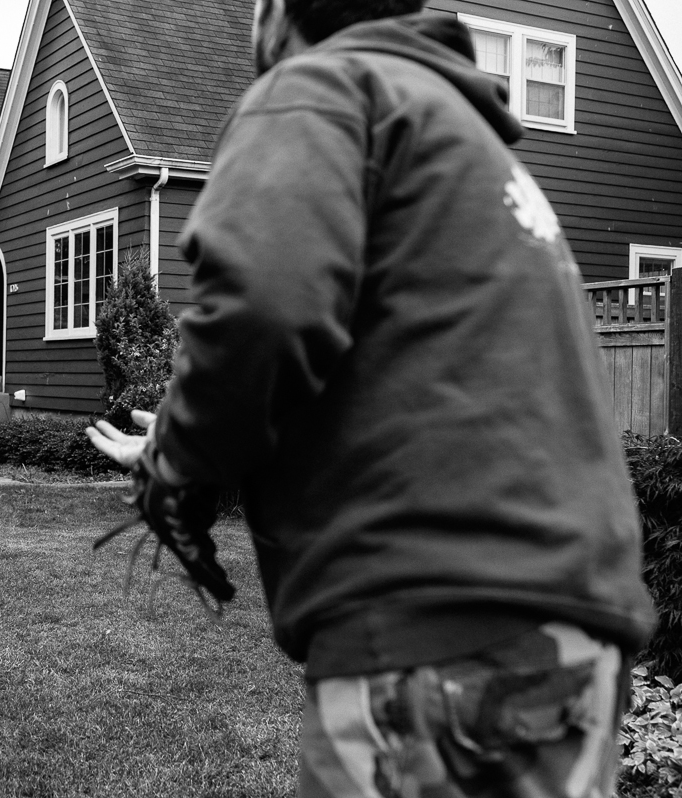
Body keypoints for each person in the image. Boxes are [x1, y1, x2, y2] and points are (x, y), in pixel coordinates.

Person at [86, 1, 658, 795]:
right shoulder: (465, 144)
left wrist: (178, 463)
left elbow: (263, 311)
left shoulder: (322, 87)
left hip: (434, 627)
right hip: (568, 636)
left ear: (273, 14)